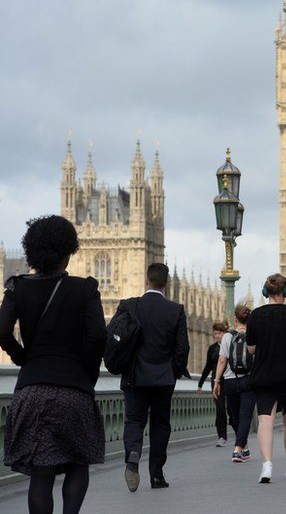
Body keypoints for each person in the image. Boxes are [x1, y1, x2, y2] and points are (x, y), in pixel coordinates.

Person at [0, 215, 106, 514]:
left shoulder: (17, 287)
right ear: (68, 251)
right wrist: (86, 370)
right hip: (74, 390)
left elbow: (2, 332)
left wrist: (23, 357)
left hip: (31, 389)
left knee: (41, 474)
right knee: (77, 463)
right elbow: (98, 335)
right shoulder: (84, 289)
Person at [116, 262, 190, 491]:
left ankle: (133, 454)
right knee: (160, 424)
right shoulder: (175, 310)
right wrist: (174, 372)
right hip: (163, 378)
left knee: (134, 420)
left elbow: (113, 339)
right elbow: (182, 349)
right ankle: (157, 475)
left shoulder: (129, 306)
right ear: (166, 284)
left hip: (134, 377)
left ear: (146, 280)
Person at [245, 273, 286, 483]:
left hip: (264, 375)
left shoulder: (255, 315)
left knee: (265, 421)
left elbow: (251, 348)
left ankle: (266, 466)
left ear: (266, 291)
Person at [213, 304, 255, 463]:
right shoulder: (254, 335)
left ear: (235, 319)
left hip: (230, 380)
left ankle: (239, 448)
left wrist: (217, 381)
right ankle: (242, 447)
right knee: (245, 416)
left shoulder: (227, 337)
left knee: (235, 416)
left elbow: (222, 360)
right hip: (248, 380)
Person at [198, 322, 229, 447]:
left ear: (224, 333)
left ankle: (237, 429)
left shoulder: (229, 346)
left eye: (219, 333)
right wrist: (200, 383)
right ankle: (222, 436)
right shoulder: (212, 348)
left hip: (229, 379)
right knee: (220, 408)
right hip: (216, 381)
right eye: (215, 333)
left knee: (232, 408)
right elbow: (208, 367)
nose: (217, 336)